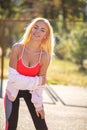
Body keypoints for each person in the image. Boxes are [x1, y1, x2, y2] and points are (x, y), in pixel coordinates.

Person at [4, 17, 54, 130]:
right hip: (12, 93)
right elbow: (13, 79)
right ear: (31, 29)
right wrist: (37, 81)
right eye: (35, 27)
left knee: (42, 127)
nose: (37, 31)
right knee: (10, 127)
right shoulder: (17, 49)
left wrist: (39, 105)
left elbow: (40, 87)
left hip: (32, 94)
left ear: (46, 35)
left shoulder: (45, 56)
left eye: (42, 30)